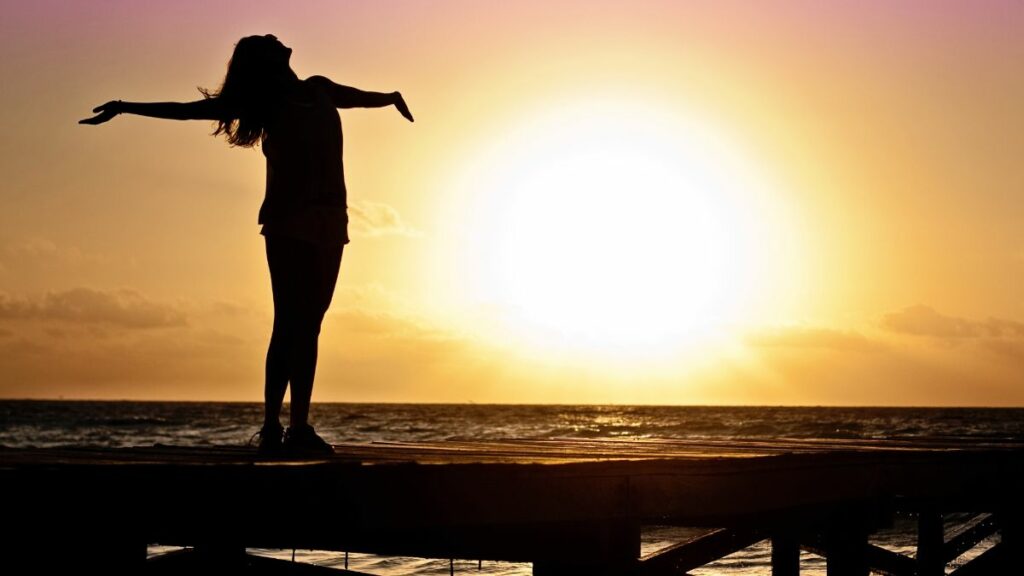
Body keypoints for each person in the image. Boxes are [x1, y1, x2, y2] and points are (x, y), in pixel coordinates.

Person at [80, 34, 414, 456]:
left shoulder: (319, 88)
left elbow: (360, 98)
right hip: (288, 220)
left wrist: (391, 97)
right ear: (265, 61)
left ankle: (288, 428)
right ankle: (283, 427)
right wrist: (126, 107)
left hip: (332, 221)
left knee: (305, 324)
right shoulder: (265, 102)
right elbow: (189, 112)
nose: (279, 39)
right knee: (294, 323)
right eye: (268, 42)